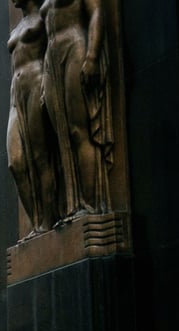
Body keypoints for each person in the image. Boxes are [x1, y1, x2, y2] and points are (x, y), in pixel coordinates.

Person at [40, 0, 112, 220]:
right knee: (62, 137)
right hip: (51, 59)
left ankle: (90, 205)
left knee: (78, 130)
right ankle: (72, 206)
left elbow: (97, 12)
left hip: (75, 45)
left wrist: (92, 55)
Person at [7, 0, 59, 236]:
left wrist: (47, 86)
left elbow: (54, 48)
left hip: (36, 80)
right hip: (16, 93)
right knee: (16, 161)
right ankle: (36, 221)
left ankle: (46, 221)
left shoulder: (42, 15)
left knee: (40, 156)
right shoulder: (16, 27)